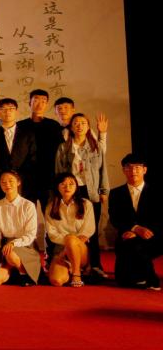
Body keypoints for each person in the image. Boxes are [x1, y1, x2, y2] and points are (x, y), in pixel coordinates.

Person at [54, 113, 108, 281]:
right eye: (76, 123)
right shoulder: (63, 147)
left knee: (92, 231)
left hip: (91, 191)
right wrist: (60, 192)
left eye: (83, 123)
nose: (79, 126)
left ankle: (95, 265)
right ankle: (74, 262)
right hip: (71, 191)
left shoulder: (95, 147)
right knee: (72, 228)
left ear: (88, 126)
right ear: (71, 127)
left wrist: (104, 191)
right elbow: (59, 172)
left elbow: (103, 170)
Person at [111, 154, 161, 290]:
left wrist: (143, 231)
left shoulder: (157, 192)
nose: (133, 171)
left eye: (137, 167)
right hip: (127, 235)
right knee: (122, 281)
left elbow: (159, 218)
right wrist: (135, 228)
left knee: (137, 246)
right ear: (123, 170)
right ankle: (138, 277)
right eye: (129, 167)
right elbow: (115, 217)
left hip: (154, 236)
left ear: (145, 170)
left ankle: (151, 279)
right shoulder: (115, 193)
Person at [0, 171, 40, 286]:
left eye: (11, 181)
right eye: (3, 182)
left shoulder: (28, 205)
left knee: (10, 254)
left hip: (26, 245)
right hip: (6, 248)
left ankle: (24, 273)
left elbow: (30, 234)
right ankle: (13, 271)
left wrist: (13, 243)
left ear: (18, 182)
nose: (7, 184)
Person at [44, 173, 95, 287]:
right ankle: (69, 268)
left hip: (81, 248)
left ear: (76, 186)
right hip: (60, 250)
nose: (67, 187)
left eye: (71, 184)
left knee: (71, 239)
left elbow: (88, 231)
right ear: (57, 187)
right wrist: (67, 245)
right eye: (63, 184)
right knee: (56, 281)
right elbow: (52, 234)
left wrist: (69, 243)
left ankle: (76, 273)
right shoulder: (50, 207)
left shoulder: (86, 204)